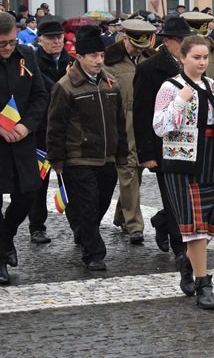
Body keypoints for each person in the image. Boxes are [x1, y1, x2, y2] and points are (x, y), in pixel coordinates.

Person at [152, 35, 214, 310]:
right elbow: (159, 127)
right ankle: (204, 284)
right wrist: (179, 101)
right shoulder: (170, 87)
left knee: (212, 220)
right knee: (196, 228)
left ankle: (188, 263)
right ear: (183, 58)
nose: (202, 63)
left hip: (213, 158)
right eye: (196, 58)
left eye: (205, 58)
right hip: (183, 164)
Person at [47, 25, 128, 271]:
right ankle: (94, 253)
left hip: (107, 157)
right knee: (89, 204)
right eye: (93, 56)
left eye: (101, 55)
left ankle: (82, 231)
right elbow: (55, 126)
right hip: (79, 158)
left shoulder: (111, 84)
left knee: (100, 203)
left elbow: (119, 122)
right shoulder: (65, 86)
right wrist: (57, 160)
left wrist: (122, 152)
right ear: (79, 57)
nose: (98, 60)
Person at [133, 16, 194, 264]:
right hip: (164, 145)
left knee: (190, 197)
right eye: (179, 40)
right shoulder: (149, 69)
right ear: (167, 42)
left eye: (186, 39)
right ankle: (182, 251)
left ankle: (161, 221)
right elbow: (141, 113)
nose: (184, 44)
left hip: (194, 143)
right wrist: (146, 153)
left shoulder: (195, 64)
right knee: (174, 199)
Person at [0, 12, 48, 284]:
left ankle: (6, 239)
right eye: (2, 44)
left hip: (22, 138)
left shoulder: (27, 55)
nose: (8, 48)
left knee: (28, 193)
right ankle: (0, 259)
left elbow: (40, 95)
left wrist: (27, 126)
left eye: (11, 42)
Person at [104, 19, 156, 244]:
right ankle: (135, 225)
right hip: (121, 121)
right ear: (124, 38)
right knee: (127, 171)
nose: (138, 50)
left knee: (138, 173)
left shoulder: (149, 58)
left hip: (146, 122)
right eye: (135, 45)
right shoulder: (108, 60)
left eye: (142, 46)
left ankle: (121, 215)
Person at [29, 17, 73, 245]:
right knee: (39, 181)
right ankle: (36, 226)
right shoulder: (32, 61)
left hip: (68, 129)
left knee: (72, 179)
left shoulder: (72, 60)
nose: (56, 41)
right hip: (42, 129)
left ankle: (80, 227)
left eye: (59, 37)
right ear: (40, 40)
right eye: (51, 38)